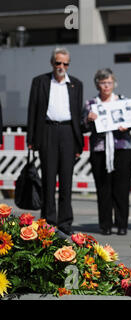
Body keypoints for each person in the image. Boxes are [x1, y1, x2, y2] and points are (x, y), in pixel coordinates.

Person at [26, 47, 83, 235]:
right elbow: (33, 110)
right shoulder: (40, 82)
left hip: (67, 132)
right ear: (52, 63)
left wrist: (78, 141)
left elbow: (77, 114)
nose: (61, 66)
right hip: (47, 131)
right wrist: (31, 138)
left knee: (66, 181)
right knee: (49, 179)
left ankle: (65, 222)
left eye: (65, 63)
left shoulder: (76, 84)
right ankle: (48, 222)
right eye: (58, 62)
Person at [82, 68, 131, 236]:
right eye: (103, 83)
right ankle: (105, 224)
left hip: (121, 148)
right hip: (100, 149)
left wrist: (127, 125)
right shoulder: (91, 104)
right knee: (103, 187)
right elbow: (83, 126)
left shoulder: (122, 100)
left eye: (109, 83)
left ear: (114, 84)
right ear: (97, 84)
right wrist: (88, 119)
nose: (106, 86)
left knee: (122, 187)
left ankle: (122, 223)